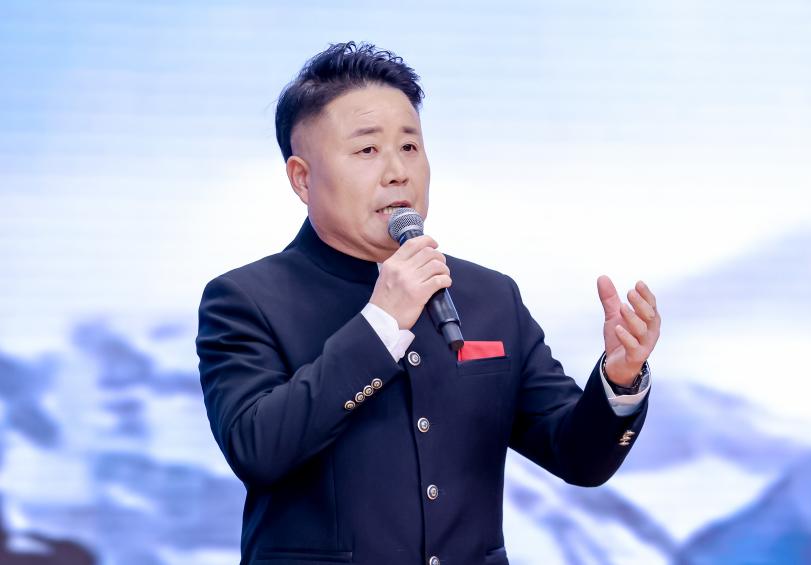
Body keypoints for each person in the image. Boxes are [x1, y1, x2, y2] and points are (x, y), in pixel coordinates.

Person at [196, 41, 661, 565]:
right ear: (303, 178)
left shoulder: (490, 295)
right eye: (367, 151)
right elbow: (258, 450)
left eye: (410, 146)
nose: (398, 171)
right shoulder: (245, 300)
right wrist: (381, 324)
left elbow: (579, 458)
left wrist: (620, 379)